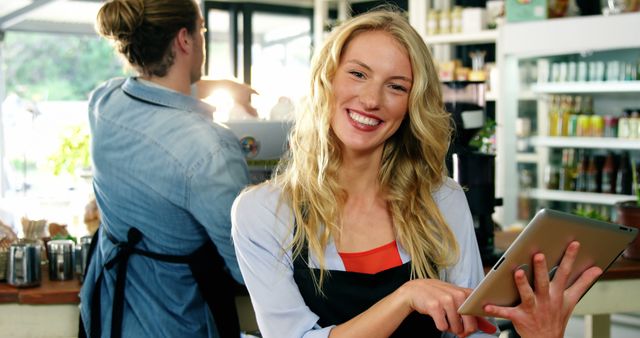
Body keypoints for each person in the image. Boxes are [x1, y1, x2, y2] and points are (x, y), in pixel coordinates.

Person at [230, 8, 602, 338]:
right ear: (326, 79)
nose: (372, 99)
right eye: (358, 74)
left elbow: (471, 334)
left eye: (396, 87)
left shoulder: (442, 200)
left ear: (412, 105)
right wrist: (405, 298)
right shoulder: (265, 212)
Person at [79, 0, 256, 337]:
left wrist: (220, 86)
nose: (203, 39)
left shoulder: (104, 102)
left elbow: (155, 94)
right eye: (201, 29)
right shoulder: (211, 149)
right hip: (173, 323)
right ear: (185, 40)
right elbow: (246, 268)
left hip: (104, 312)